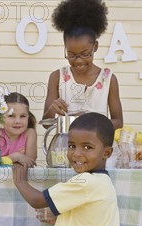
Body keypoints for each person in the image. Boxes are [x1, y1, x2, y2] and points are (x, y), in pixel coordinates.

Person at [42, 0, 123, 129]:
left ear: (95, 47)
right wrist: (52, 109)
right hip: (66, 147)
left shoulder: (108, 79)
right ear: (65, 48)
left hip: (98, 148)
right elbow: (46, 124)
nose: (78, 61)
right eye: (72, 55)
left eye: (85, 54)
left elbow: (118, 122)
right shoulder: (57, 77)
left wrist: (91, 122)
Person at [0, 92, 37, 167]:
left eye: (22, 116)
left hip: (20, 177)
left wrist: (6, 159)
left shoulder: (30, 133)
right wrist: (16, 157)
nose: (17, 121)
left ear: (28, 117)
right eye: (11, 116)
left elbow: (30, 162)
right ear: (0, 117)